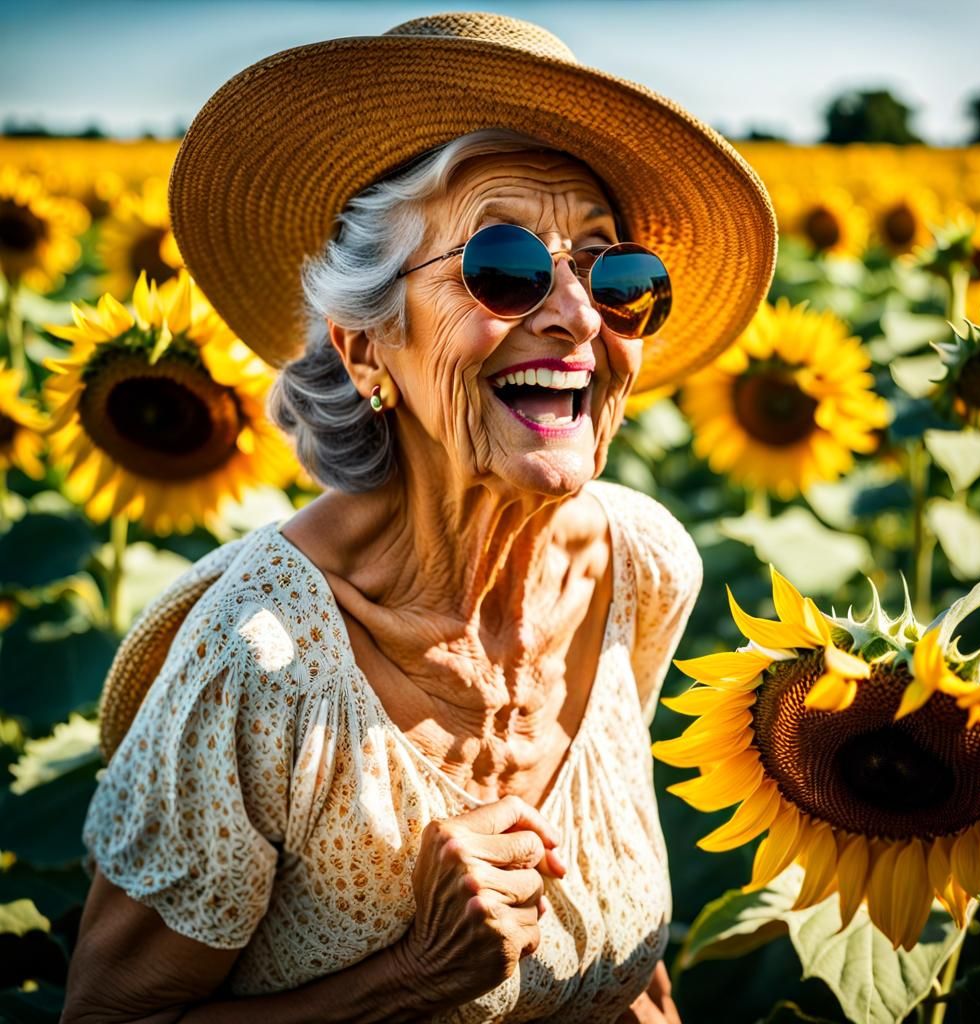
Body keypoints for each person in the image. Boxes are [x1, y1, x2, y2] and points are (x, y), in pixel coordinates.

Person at [62, 12, 775, 1023]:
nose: (575, 315)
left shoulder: (639, 566)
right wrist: (410, 978)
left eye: (615, 276)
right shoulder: (258, 662)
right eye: (507, 269)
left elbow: (620, 950)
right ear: (364, 349)